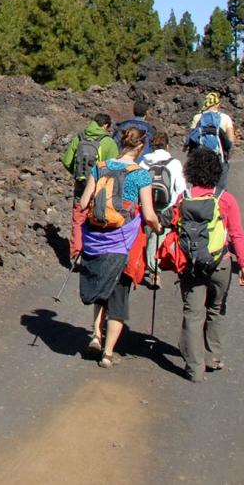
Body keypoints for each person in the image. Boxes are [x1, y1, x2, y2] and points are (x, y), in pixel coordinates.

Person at [76, 127, 161, 368]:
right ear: (141, 147)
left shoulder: (100, 167)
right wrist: (157, 227)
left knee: (100, 287)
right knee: (118, 295)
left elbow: (83, 203)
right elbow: (148, 214)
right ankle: (108, 353)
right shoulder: (140, 175)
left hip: (95, 239)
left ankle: (95, 335)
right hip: (122, 242)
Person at [174, 148, 244, 382]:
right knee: (215, 309)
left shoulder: (184, 197)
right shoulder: (225, 199)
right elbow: (236, 234)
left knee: (193, 314)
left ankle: (195, 368)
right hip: (220, 263)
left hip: (191, 263)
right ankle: (213, 357)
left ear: (191, 171)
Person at [60, 113, 119, 261]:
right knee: (99, 218)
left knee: (78, 218)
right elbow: (114, 168)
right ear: (105, 125)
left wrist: (77, 174)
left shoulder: (79, 138)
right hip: (101, 188)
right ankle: (95, 252)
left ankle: (76, 253)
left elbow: (67, 161)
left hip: (81, 185)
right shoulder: (109, 143)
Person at [141, 130, 188, 283]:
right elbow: (180, 188)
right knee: (158, 237)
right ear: (167, 146)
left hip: (147, 206)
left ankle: (151, 266)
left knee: (149, 236)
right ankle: (154, 267)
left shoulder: (144, 162)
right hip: (167, 208)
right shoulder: (174, 163)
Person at [188, 92, 237, 190]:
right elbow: (231, 140)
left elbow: (191, 138)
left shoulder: (198, 117)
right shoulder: (225, 118)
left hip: (200, 157)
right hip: (219, 157)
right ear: (217, 104)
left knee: (199, 186)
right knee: (220, 189)